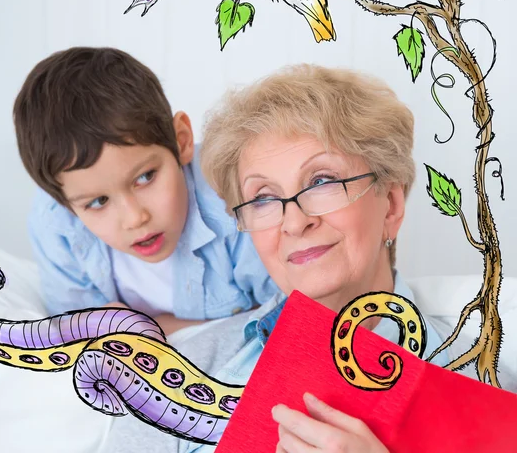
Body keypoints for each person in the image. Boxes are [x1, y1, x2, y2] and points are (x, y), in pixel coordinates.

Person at [100, 63, 454, 452]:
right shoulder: (182, 370)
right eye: (264, 198)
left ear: (390, 204)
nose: (294, 221)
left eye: (322, 181)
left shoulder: (473, 375)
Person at [12, 46, 279, 334]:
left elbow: (286, 315)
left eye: (145, 177)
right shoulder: (56, 223)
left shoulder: (234, 201)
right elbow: (79, 335)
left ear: (182, 141)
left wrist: (153, 328)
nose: (135, 218)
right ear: (65, 203)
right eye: (99, 201)